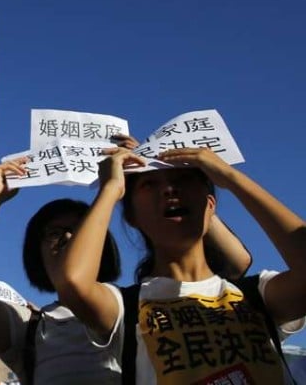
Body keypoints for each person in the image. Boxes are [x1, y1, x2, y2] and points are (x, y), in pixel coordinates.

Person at [0, 137, 251, 384]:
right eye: (55, 233)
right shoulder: (28, 326)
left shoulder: (140, 303)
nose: (71, 239)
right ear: (35, 252)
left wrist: (155, 171)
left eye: (82, 229)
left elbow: (235, 263)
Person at [59, 145, 306, 383]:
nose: (169, 189)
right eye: (149, 184)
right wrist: (110, 189)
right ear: (131, 216)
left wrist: (231, 177)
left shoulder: (257, 295)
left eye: (184, 179)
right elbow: (73, 283)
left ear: (210, 206)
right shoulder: (126, 307)